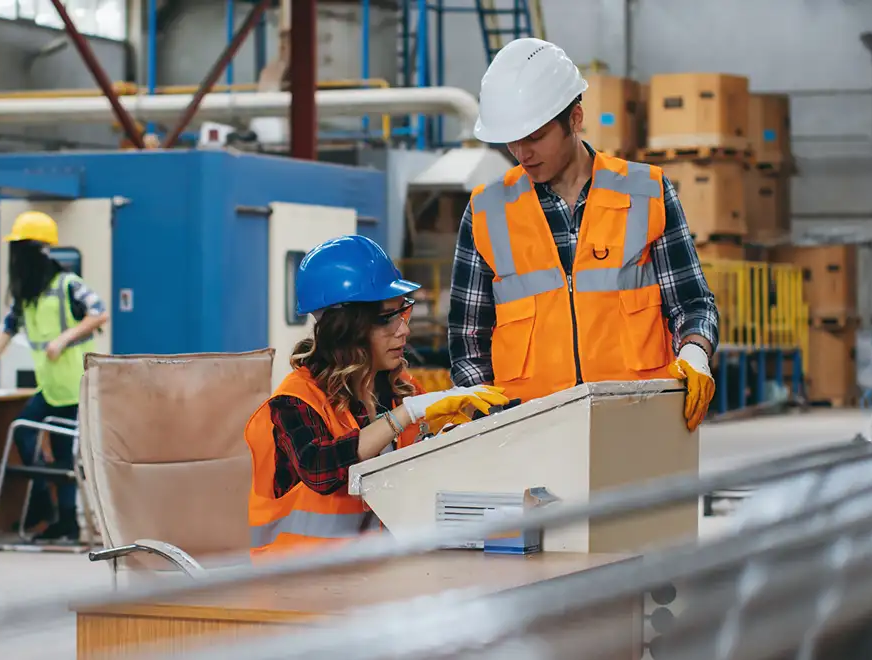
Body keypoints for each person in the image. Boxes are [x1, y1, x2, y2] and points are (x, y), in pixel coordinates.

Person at [448, 37, 719, 430]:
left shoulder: (647, 193)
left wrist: (695, 352)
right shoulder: (486, 212)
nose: (522, 153)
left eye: (535, 137)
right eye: (512, 141)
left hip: (639, 423)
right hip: (530, 433)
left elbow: (692, 304)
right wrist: (490, 424)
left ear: (575, 118)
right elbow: (467, 342)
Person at [244, 235, 510, 559]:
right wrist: (405, 416)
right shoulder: (295, 402)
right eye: (387, 318)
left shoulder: (400, 389)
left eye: (403, 313)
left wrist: (455, 437)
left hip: (377, 570)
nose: (404, 330)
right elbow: (319, 469)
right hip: (298, 578)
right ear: (345, 329)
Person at [0, 210, 109, 544]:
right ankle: (45, 505)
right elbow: (5, 331)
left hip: (74, 388)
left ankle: (67, 524)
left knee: (63, 456)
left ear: (37, 252)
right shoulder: (26, 296)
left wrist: (63, 339)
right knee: (23, 432)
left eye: (20, 249)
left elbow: (99, 312)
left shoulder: (68, 285)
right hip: (49, 388)